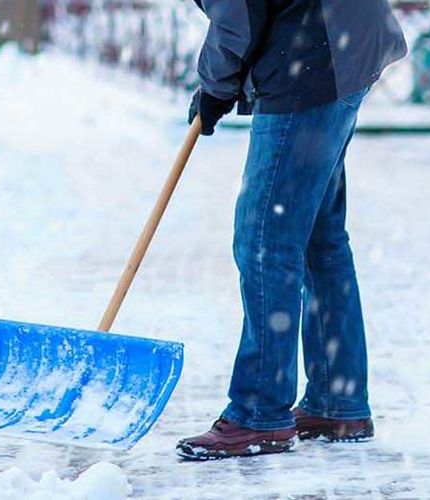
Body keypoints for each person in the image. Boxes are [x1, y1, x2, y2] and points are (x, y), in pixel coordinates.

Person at [174, 0, 407, 461]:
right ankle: (336, 402)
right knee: (318, 238)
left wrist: (215, 87)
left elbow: (237, 19)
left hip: (312, 60)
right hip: (340, 45)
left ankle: (259, 412)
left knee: (265, 239)